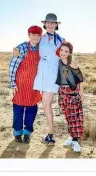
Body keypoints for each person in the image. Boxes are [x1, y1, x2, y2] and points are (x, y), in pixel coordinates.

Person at [33, 13, 65, 145]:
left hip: (53, 74)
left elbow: (66, 56)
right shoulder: (40, 38)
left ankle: (50, 134)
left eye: (53, 23)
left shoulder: (61, 40)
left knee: (46, 104)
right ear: (45, 24)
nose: (51, 25)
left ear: (57, 25)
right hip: (41, 73)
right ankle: (50, 132)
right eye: (48, 23)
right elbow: (30, 44)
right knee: (45, 104)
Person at [9, 26, 42, 144]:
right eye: (33, 35)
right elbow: (13, 65)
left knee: (31, 110)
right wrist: (12, 83)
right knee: (18, 110)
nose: (35, 37)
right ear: (29, 35)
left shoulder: (41, 49)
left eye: (38, 35)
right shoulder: (22, 47)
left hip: (34, 85)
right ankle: (17, 132)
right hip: (20, 84)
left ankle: (27, 133)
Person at [55, 41, 84, 153]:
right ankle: (71, 137)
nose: (63, 53)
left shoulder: (73, 63)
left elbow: (80, 80)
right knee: (68, 117)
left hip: (73, 94)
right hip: (62, 93)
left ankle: (76, 141)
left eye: (66, 51)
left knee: (75, 118)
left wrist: (81, 93)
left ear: (70, 53)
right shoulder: (59, 62)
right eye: (62, 50)